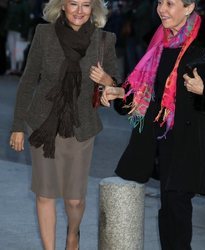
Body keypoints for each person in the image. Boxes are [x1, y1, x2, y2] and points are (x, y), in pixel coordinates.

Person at [101, 0, 205, 249]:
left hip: (191, 143)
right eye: (159, 2)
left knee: (176, 208)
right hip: (160, 141)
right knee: (168, 208)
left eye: (170, 3)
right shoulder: (158, 41)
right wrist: (118, 91)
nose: (161, 9)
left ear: (189, 7)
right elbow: (145, 90)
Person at [9, 0, 119, 249]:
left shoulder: (104, 40)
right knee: (45, 194)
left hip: (81, 128)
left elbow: (117, 85)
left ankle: (73, 235)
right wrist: (17, 125)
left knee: (74, 200)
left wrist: (107, 79)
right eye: (73, 4)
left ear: (94, 9)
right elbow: (27, 82)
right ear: (62, 6)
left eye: (86, 5)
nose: (79, 11)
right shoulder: (44, 34)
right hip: (43, 125)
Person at [5, 0, 31, 75]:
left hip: (19, 30)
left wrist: (25, 32)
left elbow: (26, 19)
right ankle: (13, 68)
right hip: (11, 29)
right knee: (12, 49)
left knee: (19, 50)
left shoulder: (24, 5)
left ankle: (19, 68)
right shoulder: (12, 3)